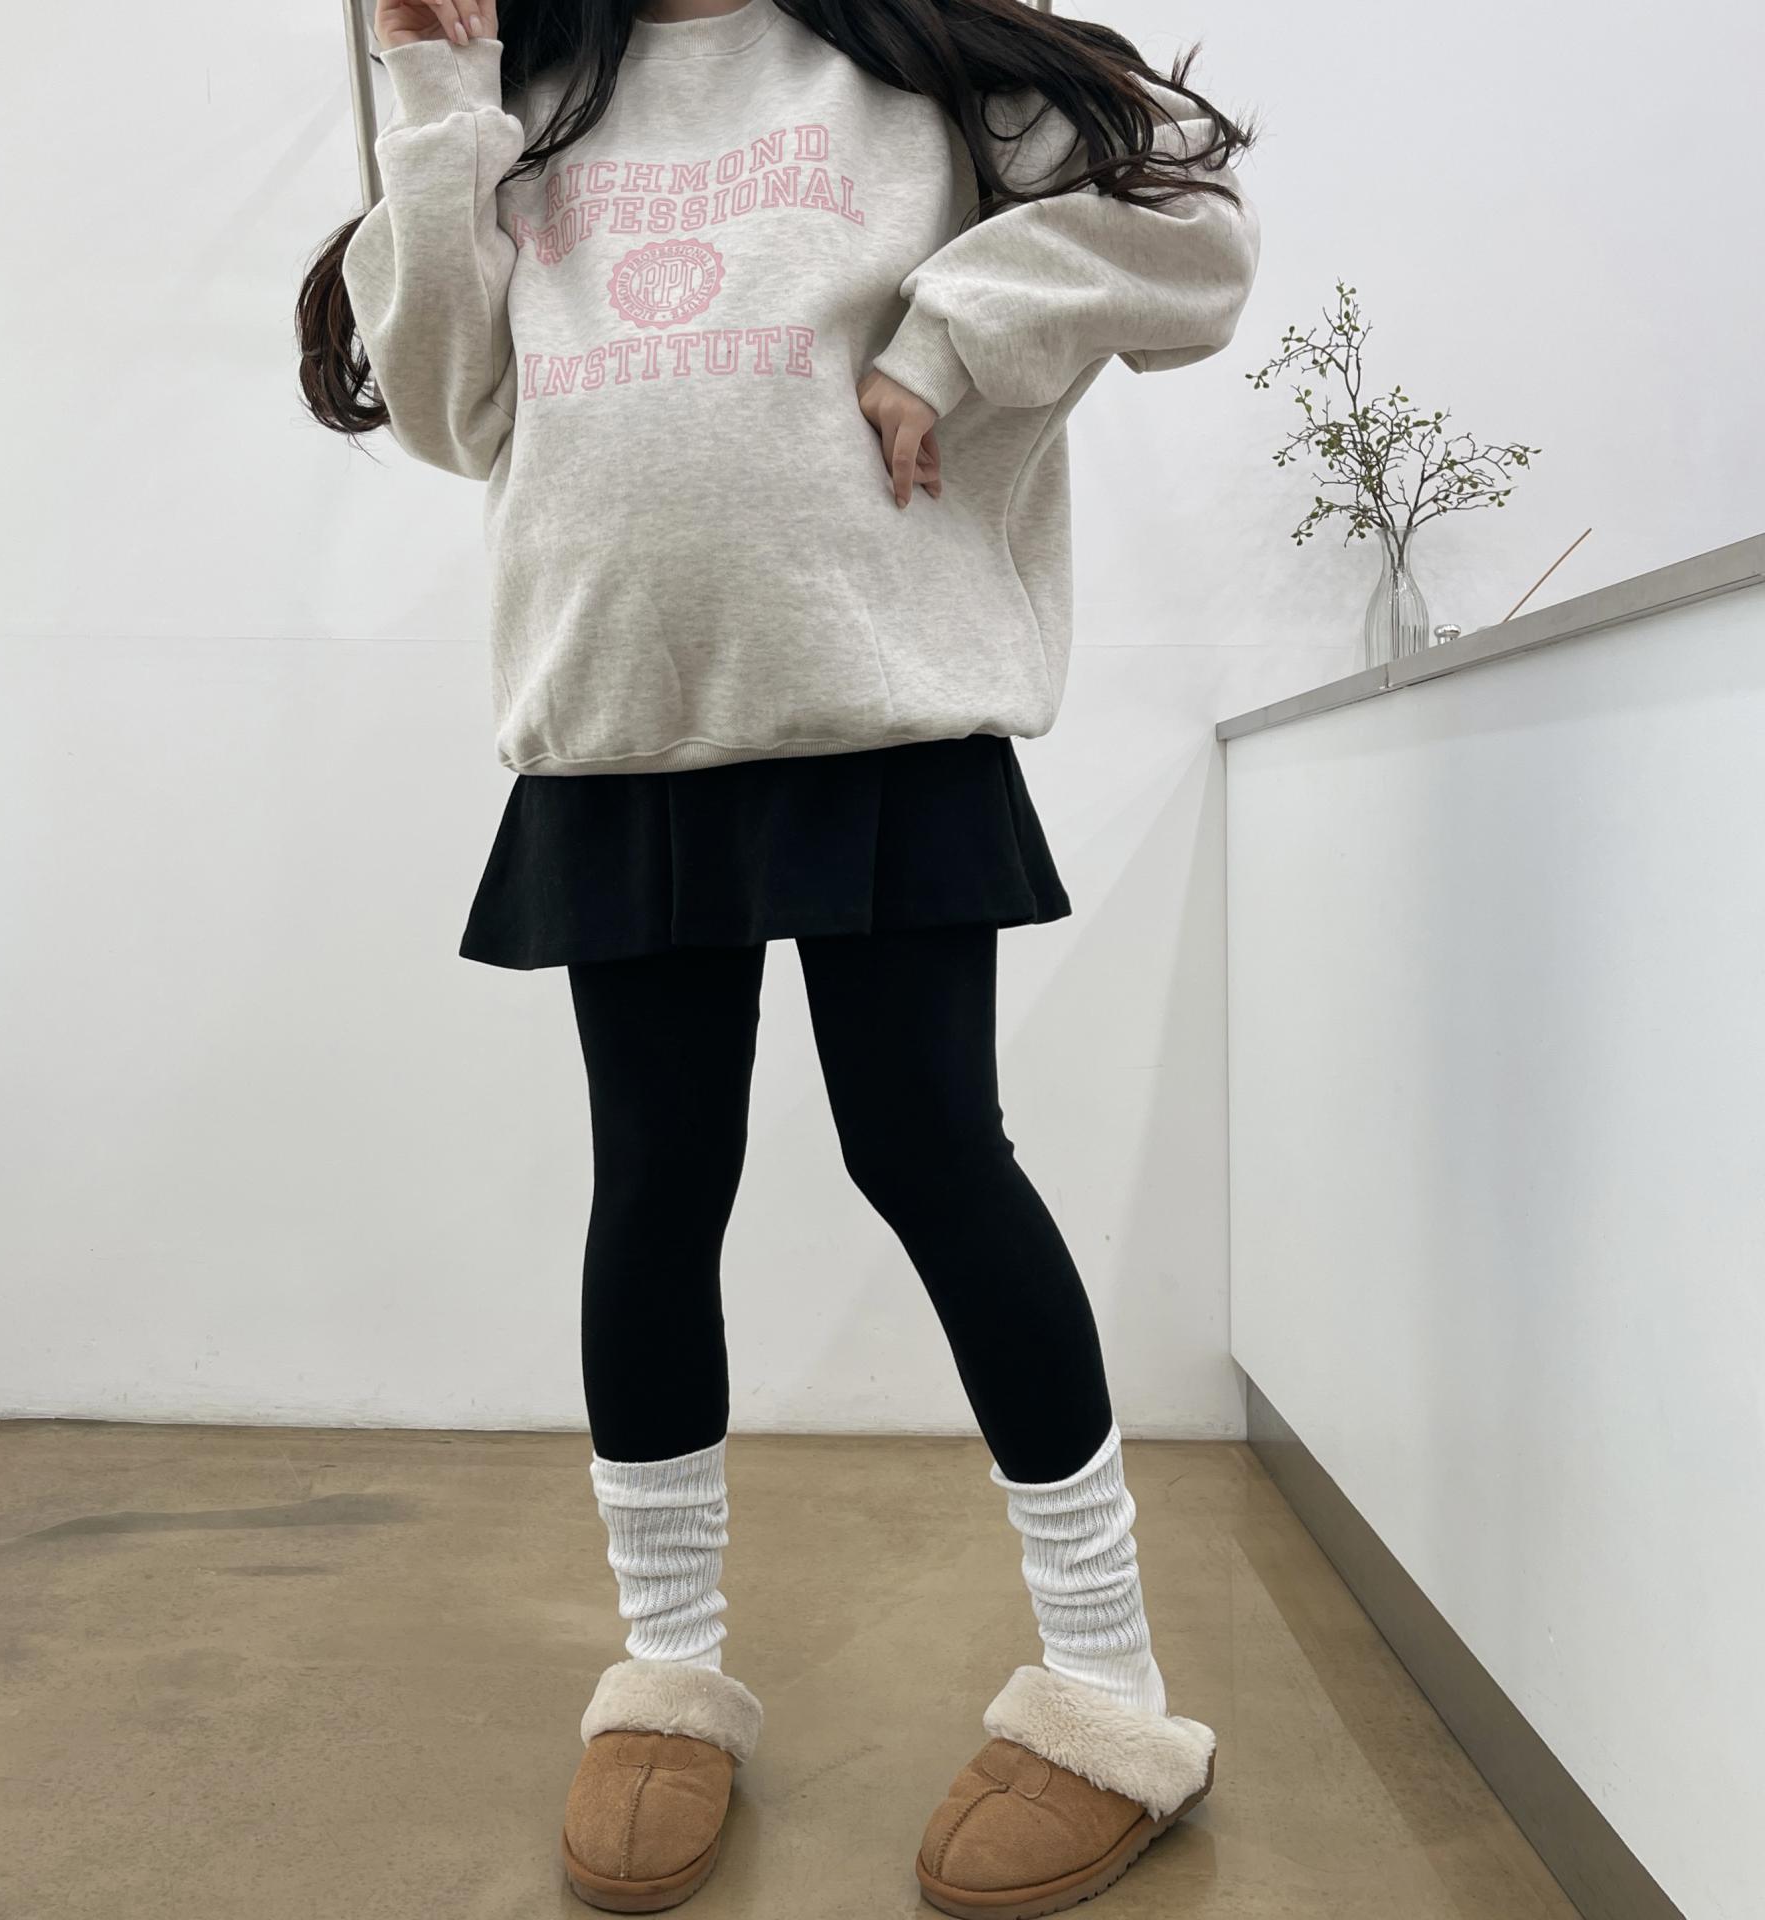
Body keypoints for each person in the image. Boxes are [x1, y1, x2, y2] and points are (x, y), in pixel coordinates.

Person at [295, 0, 1259, 1910]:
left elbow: (1195, 237)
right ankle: (666, 1672)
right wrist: (433, 95)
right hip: (625, 726)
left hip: (884, 708)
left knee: (934, 1159)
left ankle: (1108, 1687)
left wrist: (947, 335)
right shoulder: (523, 93)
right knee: (658, 1185)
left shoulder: (920, 64)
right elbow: (448, 405)